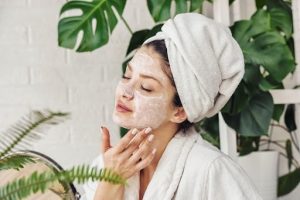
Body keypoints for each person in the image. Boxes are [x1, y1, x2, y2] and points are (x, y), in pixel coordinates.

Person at [82, 13, 263, 200]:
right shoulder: (107, 165)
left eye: (146, 87)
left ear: (180, 111)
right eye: (127, 76)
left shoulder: (211, 171)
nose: (125, 91)